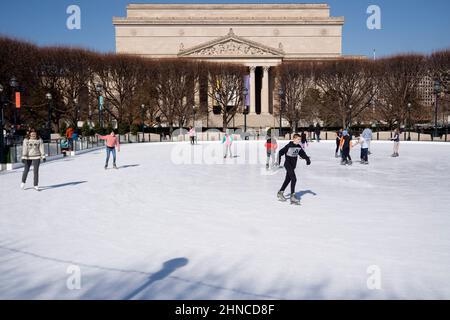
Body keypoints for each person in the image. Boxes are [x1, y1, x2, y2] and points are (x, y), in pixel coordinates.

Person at [277, 133, 311, 205]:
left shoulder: (298, 147)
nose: (299, 141)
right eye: (298, 139)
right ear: (294, 139)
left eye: (300, 139)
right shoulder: (288, 146)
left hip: (293, 166)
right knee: (294, 179)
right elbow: (280, 152)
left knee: (287, 180)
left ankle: (280, 192)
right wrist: (278, 162)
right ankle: (292, 196)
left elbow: (303, 154)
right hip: (287, 164)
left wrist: (307, 159)